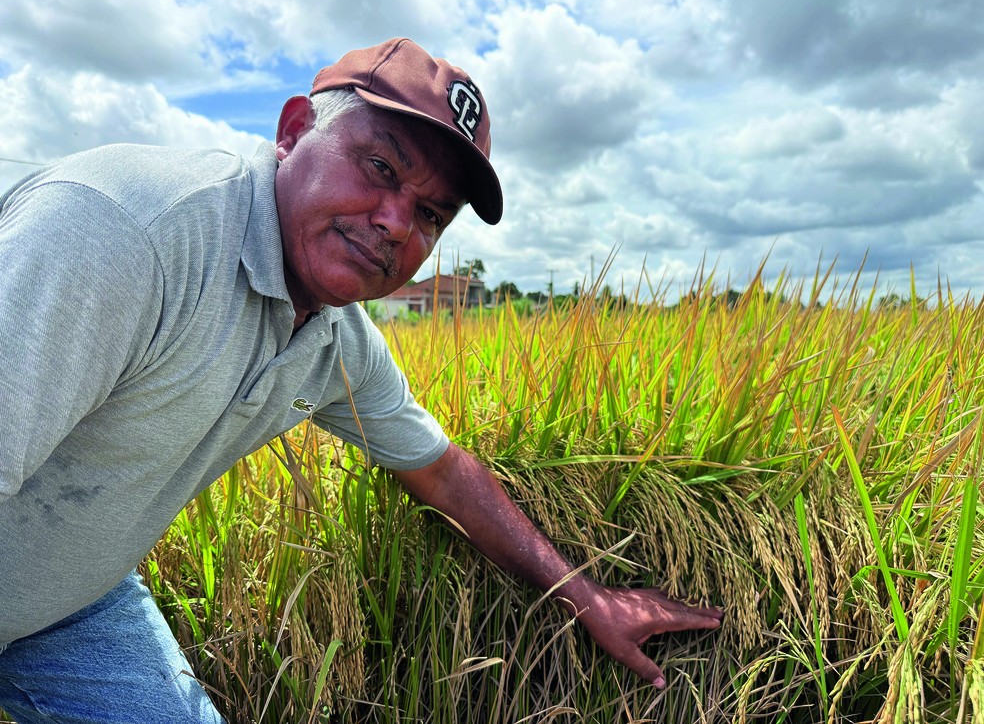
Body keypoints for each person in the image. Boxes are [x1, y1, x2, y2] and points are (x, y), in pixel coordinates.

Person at [0, 38, 722, 722]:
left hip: (71, 604)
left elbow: (440, 470)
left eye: (431, 215)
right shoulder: (129, 235)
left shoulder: (333, 336)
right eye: (380, 166)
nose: (393, 223)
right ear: (292, 131)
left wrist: (585, 595)